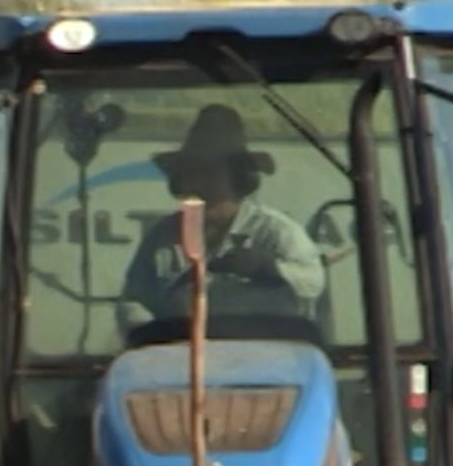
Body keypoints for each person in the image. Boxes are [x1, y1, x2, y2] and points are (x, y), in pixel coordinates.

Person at [116, 103, 327, 332]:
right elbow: (133, 301)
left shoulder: (276, 232)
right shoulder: (161, 238)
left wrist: (267, 268)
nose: (197, 184)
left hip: (265, 356)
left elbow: (313, 283)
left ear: (239, 179)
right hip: (180, 359)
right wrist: (154, 335)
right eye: (190, 172)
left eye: (209, 173)